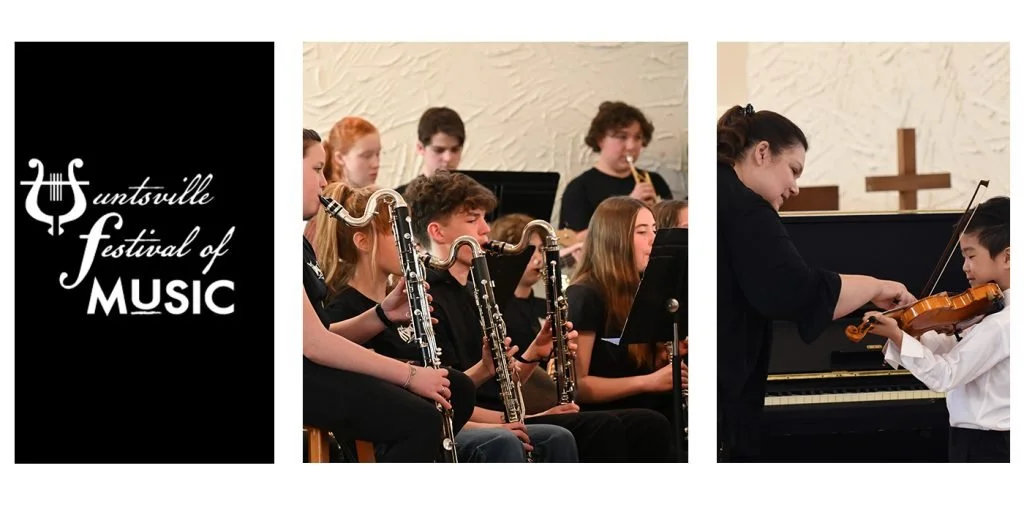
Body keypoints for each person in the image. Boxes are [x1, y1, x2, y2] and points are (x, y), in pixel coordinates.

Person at [716, 104, 915, 462]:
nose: (795, 188)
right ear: (762, 152)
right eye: (793, 170)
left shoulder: (720, 191)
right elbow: (798, 292)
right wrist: (876, 287)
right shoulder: (747, 208)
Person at [301, 129, 464, 463]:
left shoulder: (298, 244)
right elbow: (314, 345)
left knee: (458, 389)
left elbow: (316, 333)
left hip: (310, 374)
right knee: (421, 420)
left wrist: (381, 315)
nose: (324, 182)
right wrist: (409, 375)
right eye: (316, 169)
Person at [489, 211, 679, 461]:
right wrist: (649, 381)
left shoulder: (638, 291)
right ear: (615, 239)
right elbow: (582, 386)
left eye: (654, 230)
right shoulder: (585, 295)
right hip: (596, 409)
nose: (654, 239)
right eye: (642, 231)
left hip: (624, 406)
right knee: (649, 421)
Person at [863, 196, 1010, 463]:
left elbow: (947, 374)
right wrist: (912, 323)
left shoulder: (1002, 323)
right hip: (984, 440)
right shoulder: (989, 310)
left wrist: (897, 335)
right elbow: (952, 349)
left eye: (971, 256)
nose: (965, 267)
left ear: (1008, 257)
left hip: (989, 444)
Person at [558, 101, 674, 243]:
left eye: (637, 137)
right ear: (600, 139)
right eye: (622, 137)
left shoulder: (654, 181)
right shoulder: (579, 188)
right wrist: (627, 210)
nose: (631, 146)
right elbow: (573, 243)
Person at [395, 106, 465, 195]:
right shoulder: (399, 198)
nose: (448, 158)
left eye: (455, 150)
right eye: (438, 150)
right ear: (420, 148)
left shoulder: (476, 197)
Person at [323, 116, 382, 187]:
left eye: (377, 154)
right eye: (367, 156)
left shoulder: (382, 193)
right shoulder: (320, 193)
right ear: (340, 158)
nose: (376, 164)